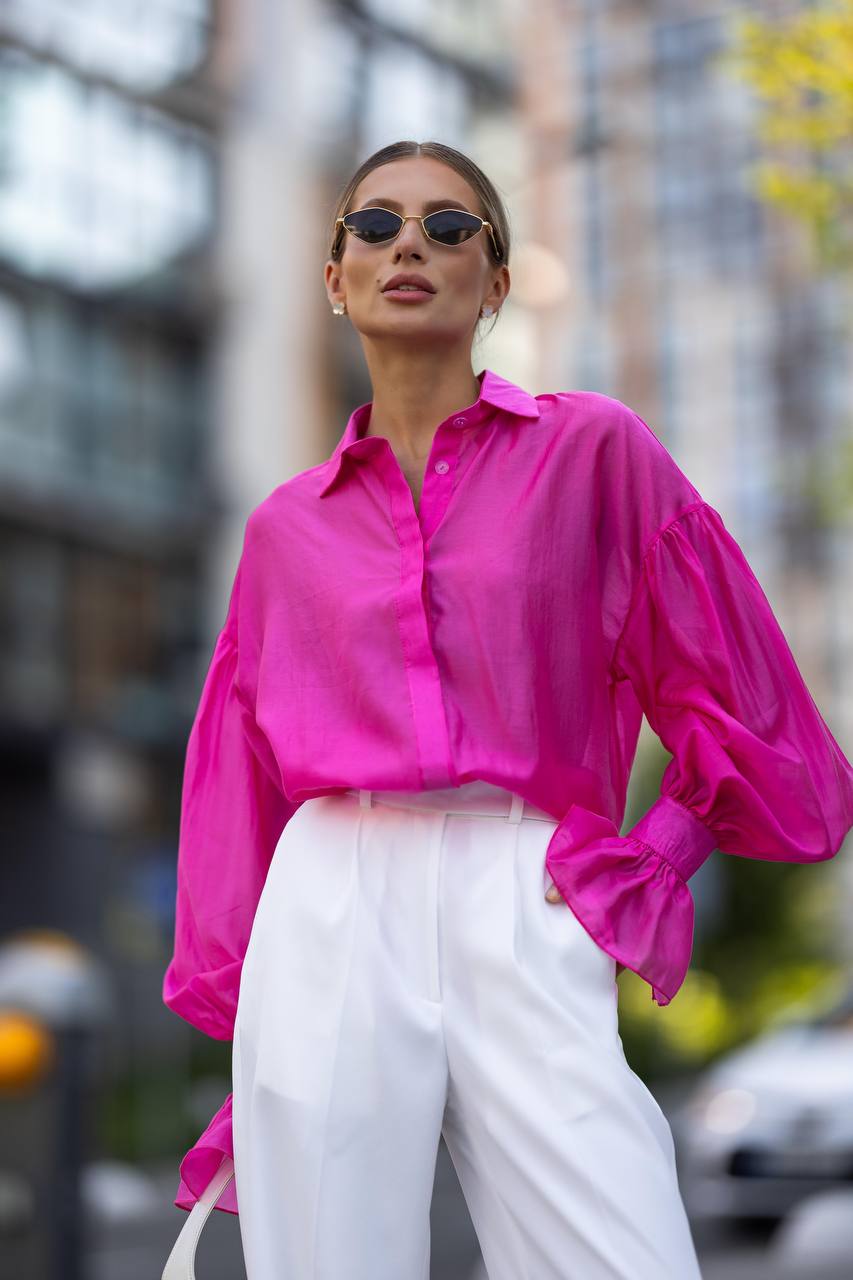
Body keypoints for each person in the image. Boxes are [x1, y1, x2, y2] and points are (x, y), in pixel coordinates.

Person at [161, 139, 853, 1279]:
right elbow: (245, 780)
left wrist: (650, 860)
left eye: (450, 227)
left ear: (497, 281)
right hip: (329, 899)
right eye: (375, 227)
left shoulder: (591, 452)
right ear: (334, 278)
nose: (409, 248)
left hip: (530, 880)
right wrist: (254, 1025)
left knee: (620, 1245)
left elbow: (735, 688)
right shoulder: (284, 529)